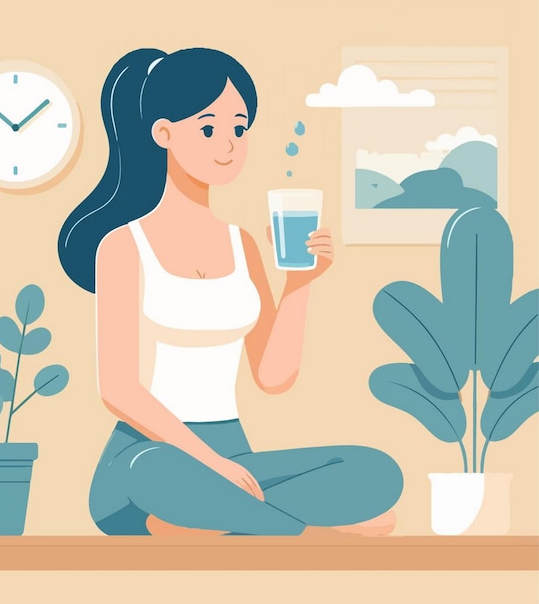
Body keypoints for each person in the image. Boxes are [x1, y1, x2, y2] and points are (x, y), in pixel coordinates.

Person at [58, 47, 403, 536]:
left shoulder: (243, 245)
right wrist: (209, 463)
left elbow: (272, 375)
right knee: (154, 473)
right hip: (146, 455)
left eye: (239, 129)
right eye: (208, 128)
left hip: (235, 455)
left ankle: (212, 522)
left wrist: (300, 284)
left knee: (376, 470)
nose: (228, 144)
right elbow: (118, 389)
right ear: (163, 133)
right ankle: (304, 527)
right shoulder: (122, 246)